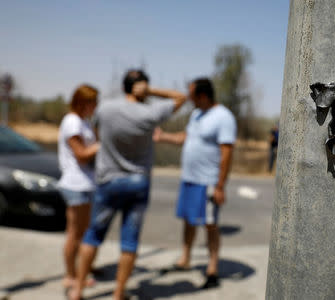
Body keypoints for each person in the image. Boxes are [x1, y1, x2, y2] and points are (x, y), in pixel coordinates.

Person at [69, 70, 187, 300]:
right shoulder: (150, 113)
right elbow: (180, 98)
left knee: (93, 235)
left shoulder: (105, 109)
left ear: (124, 87)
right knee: (129, 242)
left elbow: (97, 134)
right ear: (140, 88)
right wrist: (150, 90)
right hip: (138, 182)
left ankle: (78, 289)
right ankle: (118, 293)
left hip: (108, 181)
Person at [153, 77, 237, 289]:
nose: (189, 98)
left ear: (203, 95)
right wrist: (163, 137)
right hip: (189, 179)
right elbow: (186, 137)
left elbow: (227, 153)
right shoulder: (196, 114)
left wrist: (220, 186)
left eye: (191, 95)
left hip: (208, 181)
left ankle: (212, 270)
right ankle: (185, 259)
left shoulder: (223, 117)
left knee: (210, 225)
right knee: (189, 221)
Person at [57, 84, 99, 292]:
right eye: (93, 102)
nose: (96, 106)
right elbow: (81, 154)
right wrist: (102, 145)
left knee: (84, 232)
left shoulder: (83, 122)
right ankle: (70, 275)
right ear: (83, 102)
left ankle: (82, 268)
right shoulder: (72, 122)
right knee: (74, 233)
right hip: (76, 183)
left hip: (86, 183)